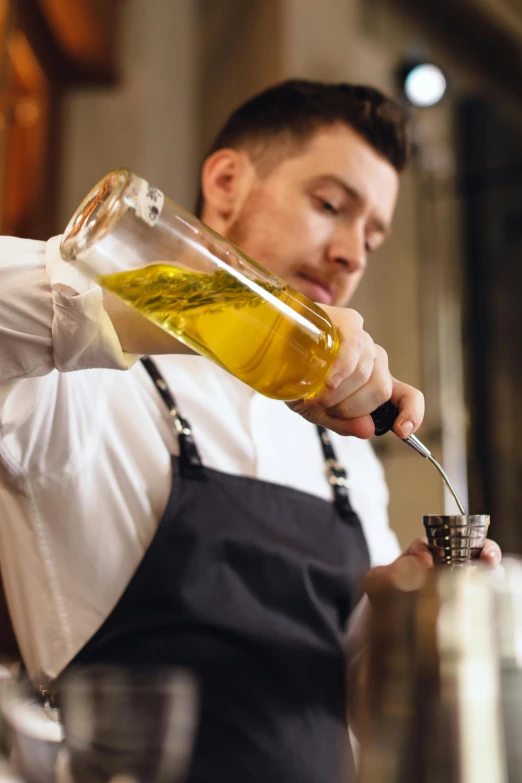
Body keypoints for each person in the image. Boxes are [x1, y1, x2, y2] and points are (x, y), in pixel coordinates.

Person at [0, 80, 500, 782]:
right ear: (228, 182)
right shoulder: (76, 388)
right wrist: (250, 316)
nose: (353, 253)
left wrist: (399, 617)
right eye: (331, 205)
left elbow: (343, 701)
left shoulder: (345, 456)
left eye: (372, 236)